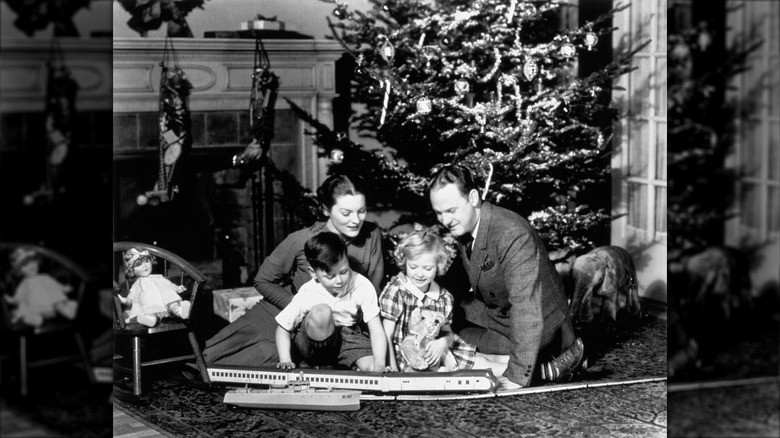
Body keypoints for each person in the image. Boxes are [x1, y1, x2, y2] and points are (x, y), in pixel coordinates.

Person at [203, 174, 385, 366]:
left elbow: (374, 287)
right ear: (325, 210)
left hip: (346, 318)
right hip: (290, 309)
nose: (356, 220)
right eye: (346, 213)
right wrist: (299, 307)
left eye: (362, 211)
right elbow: (262, 280)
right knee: (214, 359)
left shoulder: (371, 236)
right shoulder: (300, 239)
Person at [428, 164, 584, 388]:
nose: (445, 220)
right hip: (501, 316)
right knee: (446, 334)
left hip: (539, 329)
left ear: (473, 197)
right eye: (439, 213)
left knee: (453, 348)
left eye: (451, 210)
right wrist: (425, 303)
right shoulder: (470, 226)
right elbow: (457, 281)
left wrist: (517, 377)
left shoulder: (511, 233)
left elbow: (527, 307)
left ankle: (545, 369)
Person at [380, 228, 508, 374]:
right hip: (409, 356)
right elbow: (386, 336)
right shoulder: (396, 291)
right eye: (413, 267)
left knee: (489, 359)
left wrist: (442, 343)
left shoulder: (444, 297)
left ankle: (527, 368)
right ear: (405, 262)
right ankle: (523, 374)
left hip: (438, 350)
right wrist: (394, 372)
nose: (420, 274)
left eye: (427, 268)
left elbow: (448, 333)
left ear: (438, 266)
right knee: (483, 364)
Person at [275, 232, 386, 371]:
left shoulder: (361, 285)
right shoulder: (308, 291)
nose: (339, 281)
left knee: (372, 366)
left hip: (348, 337)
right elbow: (283, 327)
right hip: (313, 343)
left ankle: (343, 365)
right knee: (322, 311)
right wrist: (285, 360)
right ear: (313, 273)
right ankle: (318, 363)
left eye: (344, 272)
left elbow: (376, 328)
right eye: (330, 276)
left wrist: (379, 364)